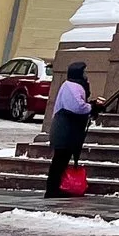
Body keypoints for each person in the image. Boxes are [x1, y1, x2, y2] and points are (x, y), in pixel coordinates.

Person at [42, 61, 92, 196]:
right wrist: (91, 107)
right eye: (84, 72)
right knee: (60, 160)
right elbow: (77, 106)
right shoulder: (72, 86)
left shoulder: (72, 86)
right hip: (64, 129)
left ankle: (55, 187)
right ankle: (53, 189)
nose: (86, 75)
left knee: (61, 159)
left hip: (67, 128)